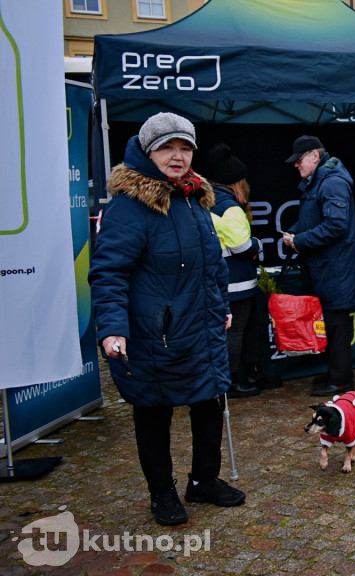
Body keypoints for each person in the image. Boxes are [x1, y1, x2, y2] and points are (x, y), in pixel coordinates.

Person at [89, 112, 245, 526]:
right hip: (154, 333)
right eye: (167, 147)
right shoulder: (131, 206)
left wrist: (221, 308)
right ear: (147, 151)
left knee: (209, 401)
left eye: (185, 147)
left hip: (201, 325)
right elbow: (108, 273)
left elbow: (211, 265)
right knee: (153, 411)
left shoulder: (195, 196)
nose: (177, 156)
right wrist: (113, 329)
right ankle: (162, 493)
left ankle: (204, 481)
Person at [282, 135, 355, 395]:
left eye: (299, 159)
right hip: (326, 270)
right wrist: (295, 234)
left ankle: (341, 382)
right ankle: (334, 374)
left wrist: (300, 241)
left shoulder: (332, 183)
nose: (296, 165)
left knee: (337, 327)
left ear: (315, 156)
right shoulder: (318, 182)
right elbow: (315, 220)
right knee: (329, 325)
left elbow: (336, 226)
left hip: (335, 271)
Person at [207, 143, 266, 397]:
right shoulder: (228, 207)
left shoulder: (207, 203)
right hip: (236, 284)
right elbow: (242, 246)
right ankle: (231, 383)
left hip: (226, 282)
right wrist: (258, 244)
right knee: (236, 332)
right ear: (236, 182)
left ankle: (245, 375)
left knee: (241, 331)